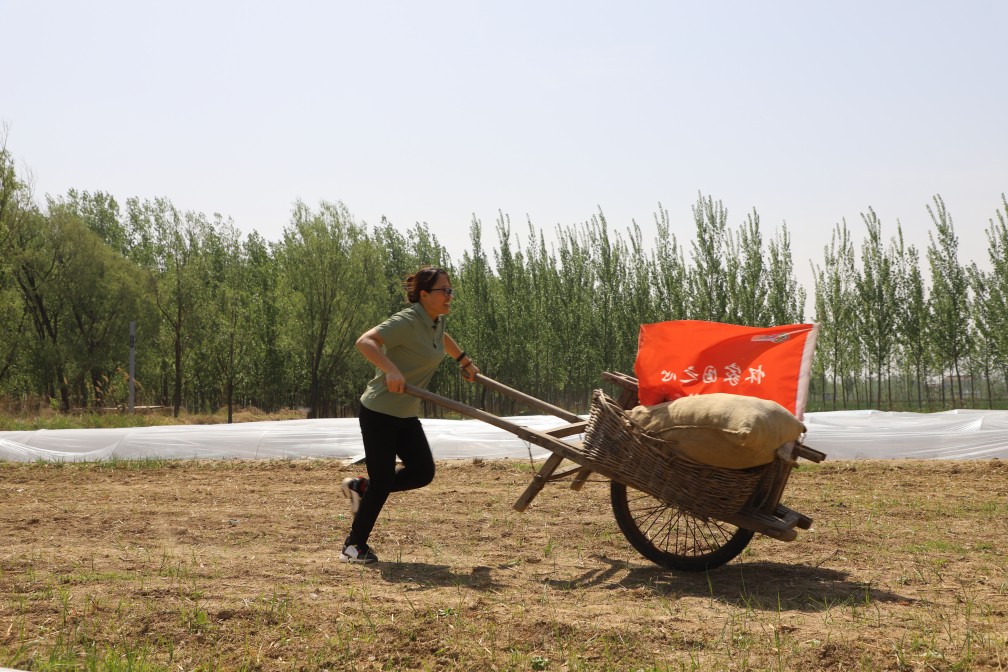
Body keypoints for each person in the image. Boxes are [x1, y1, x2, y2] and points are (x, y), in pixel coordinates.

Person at [340, 265, 480, 564]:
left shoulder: (435, 321)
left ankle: (362, 488)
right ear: (425, 294)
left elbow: (441, 339)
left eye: (451, 290)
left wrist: (464, 361)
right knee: (382, 481)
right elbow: (365, 342)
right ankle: (353, 547)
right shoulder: (406, 320)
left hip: (405, 412)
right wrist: (390, 369)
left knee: (422, 472)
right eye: (444, 290)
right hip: (380, 411)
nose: (449, 295)